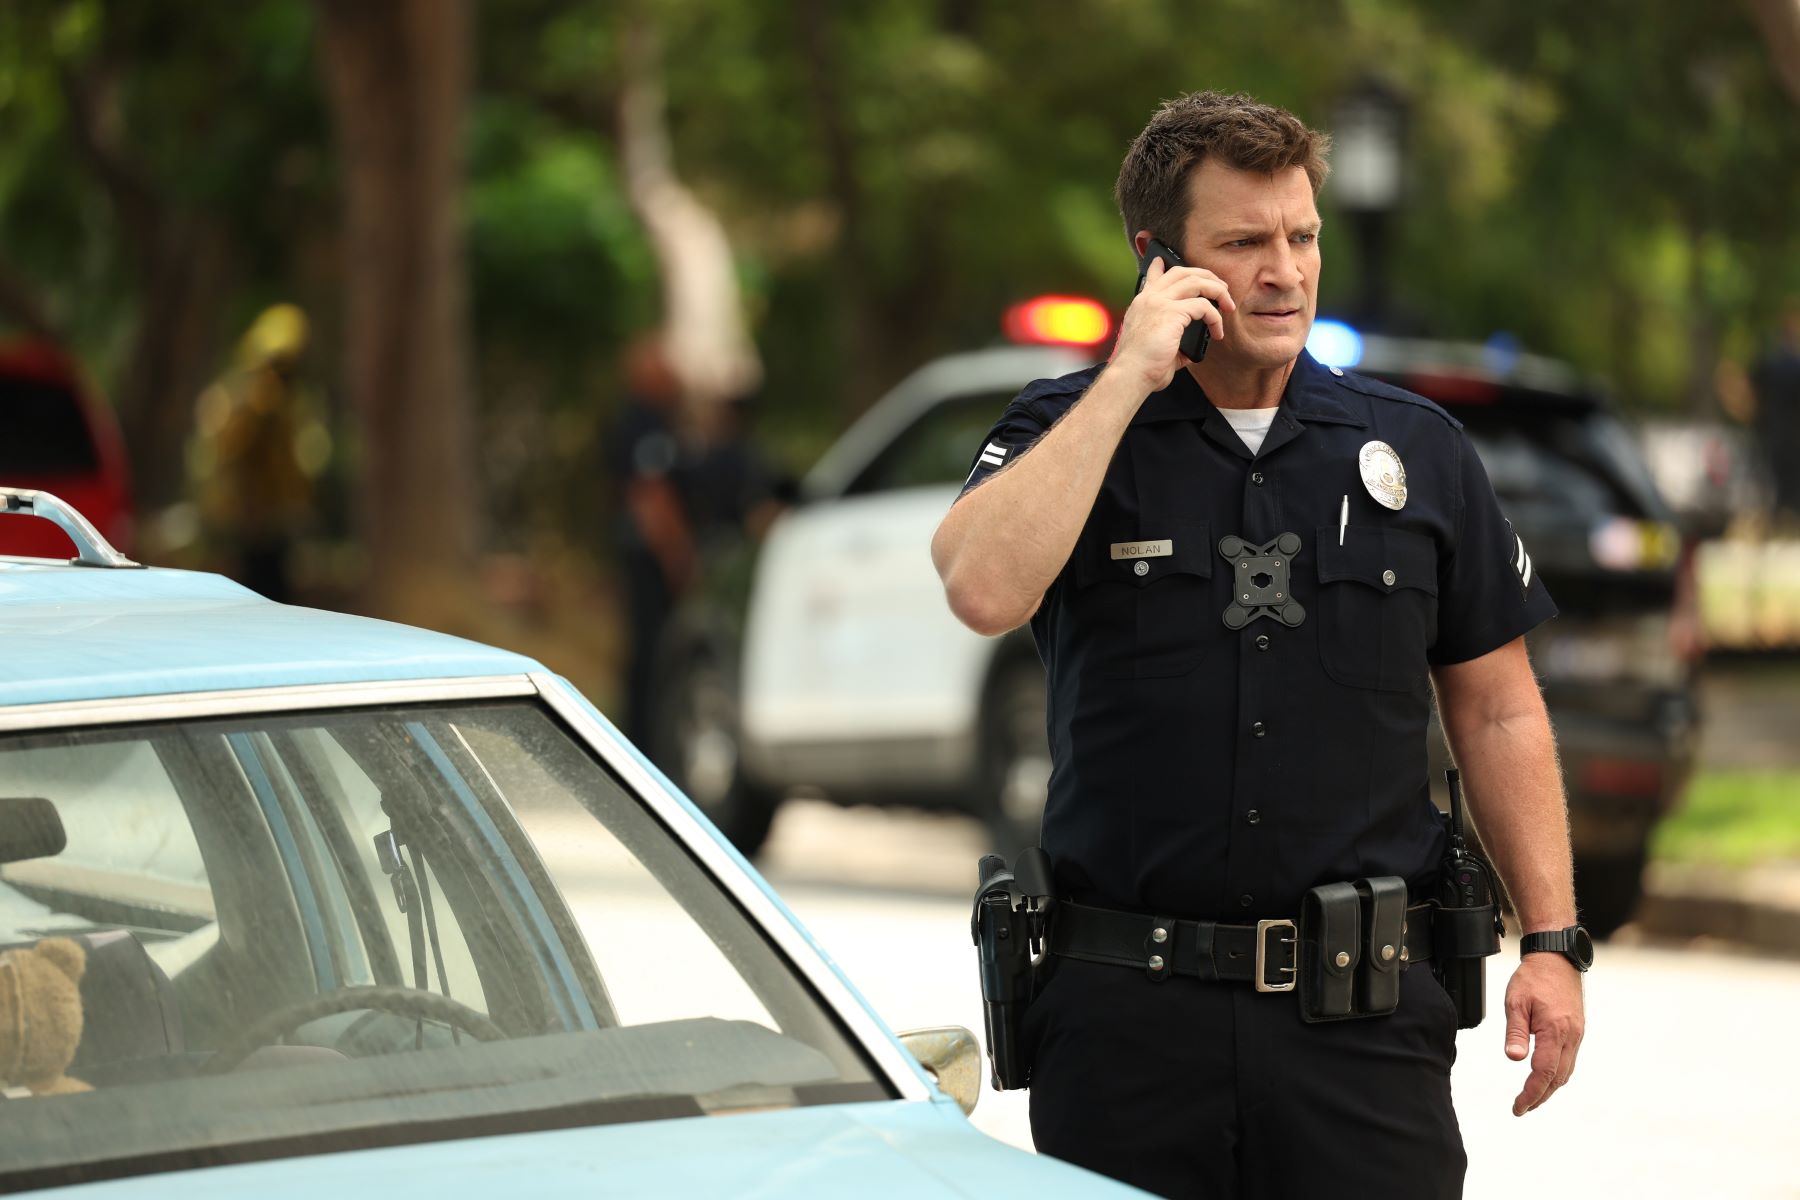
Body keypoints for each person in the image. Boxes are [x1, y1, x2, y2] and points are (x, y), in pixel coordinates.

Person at [932, 91, 1587, 1199]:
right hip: (1128, 1026)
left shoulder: (1414, 449)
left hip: (1364, 1027)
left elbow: (1499, 708)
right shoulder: (1066, 430)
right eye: (1244, 243)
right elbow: (982, 588)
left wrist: (1553, 943)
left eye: (1303, 236)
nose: (1284, 271)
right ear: (1157, 261)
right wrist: (1126, 377)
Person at [190, 304, 328, 604]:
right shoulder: (239, 403)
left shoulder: (288, 407)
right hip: (243, 526)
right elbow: (222, 458)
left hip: (273, 526)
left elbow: (301, 461)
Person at [1750, 298, 1800, 522]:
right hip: (1785, 439)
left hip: (1771, 436)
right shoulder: (1785, 364)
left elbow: (1752, 397)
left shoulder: (1769, 362)